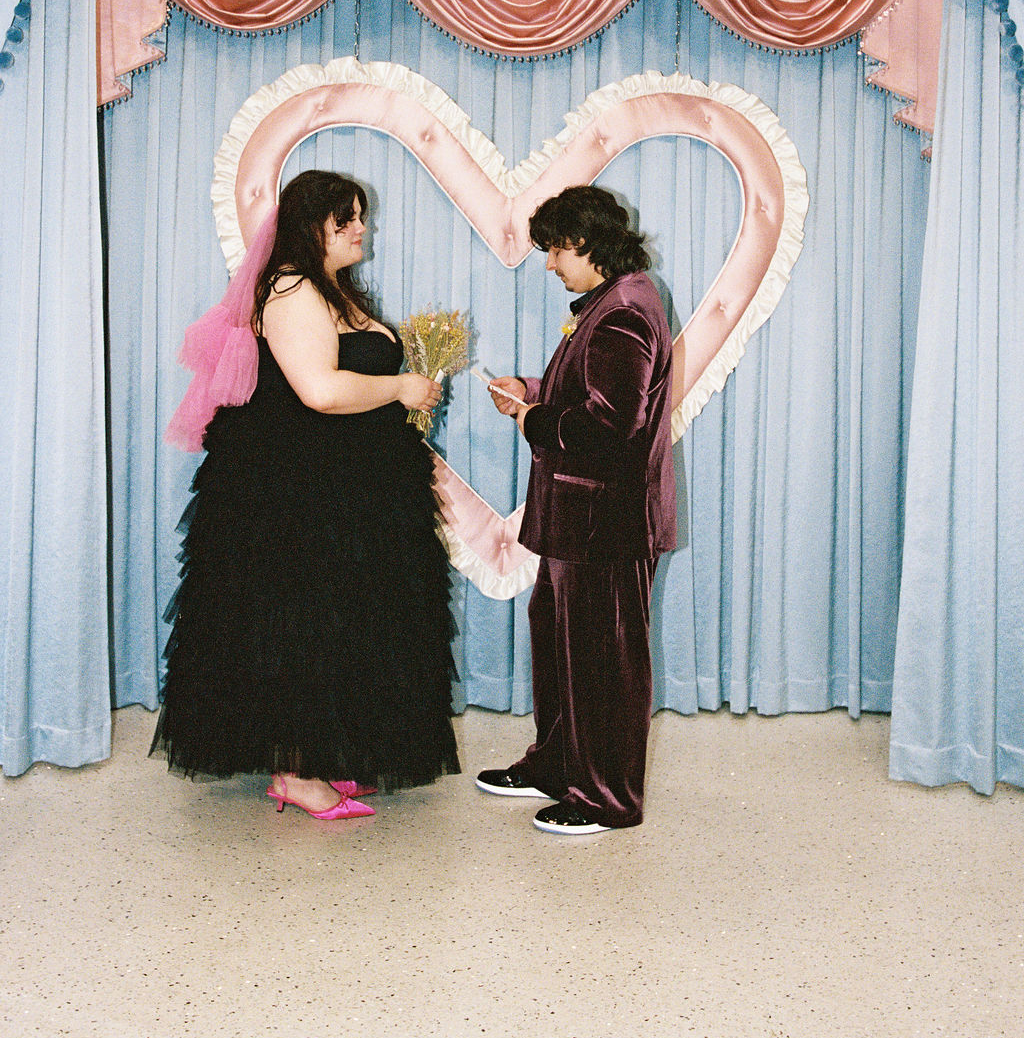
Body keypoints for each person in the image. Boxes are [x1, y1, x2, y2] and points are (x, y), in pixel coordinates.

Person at [152, 169, 460, 819]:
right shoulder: (291, 288)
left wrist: (406, 392)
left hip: (342, 488)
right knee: (300, 620)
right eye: (346, 218)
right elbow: (317, 389)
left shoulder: (333, 290)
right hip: (298, 492)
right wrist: (402, 389)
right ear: (310, 223)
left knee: (340, 620)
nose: (360, 229)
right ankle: (293, 771)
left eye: (361, 217)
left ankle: (317, 756)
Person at [478, 185, 676, 834]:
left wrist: (534, 417)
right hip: (577, 522)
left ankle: (608, 798)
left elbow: (610, 429)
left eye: (555, 250)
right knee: (563, 651)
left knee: (604, 666)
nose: (549, 264)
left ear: (586, 243)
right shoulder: (614, 302)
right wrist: (531, 392)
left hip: (605, 527)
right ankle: (560, 765)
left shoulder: (622, 311)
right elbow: (596, 392)